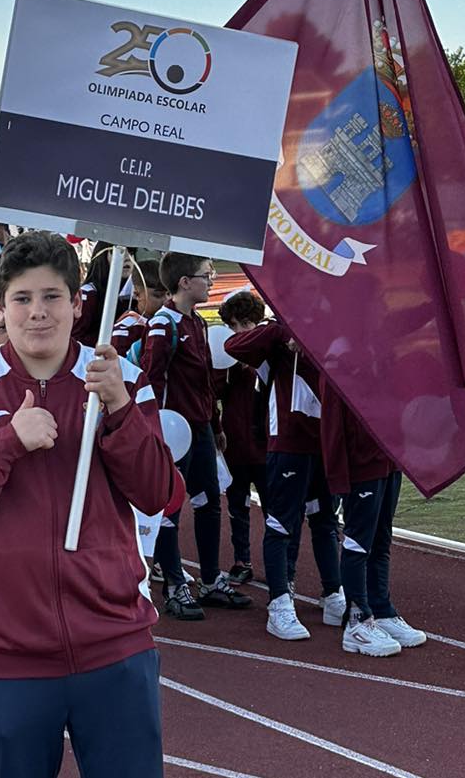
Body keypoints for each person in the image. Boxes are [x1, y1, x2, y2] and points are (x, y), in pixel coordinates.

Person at [0, 231, 175, 778]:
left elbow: (159, 495)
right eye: (22, 299)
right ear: (1, 308)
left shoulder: (120, 380)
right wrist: (6, 442)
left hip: (114, 642)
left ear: (78, 305)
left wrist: (121, 409)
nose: (38, 313)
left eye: (53, 297)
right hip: (6, 651)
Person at [142, 253, 251, 618]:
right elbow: (151, 382)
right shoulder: (162, 325)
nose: (211, 280)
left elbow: (206, 382)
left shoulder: (199, 324)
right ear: (184, 282)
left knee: (209, 501)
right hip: (175, 432)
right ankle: (174, 584)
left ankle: (209, 579)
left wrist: (215, 426)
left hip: (202, 428)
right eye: (206, 275)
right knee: (170, 505)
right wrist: (155, 431)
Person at [225, 318, 343, 641]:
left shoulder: (332, 325)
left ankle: (333, 594)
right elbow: (232, 346)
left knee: (325, 520)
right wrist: (285, 330)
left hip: (324, 441)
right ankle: (279, 603)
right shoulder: (276, 335)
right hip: (289, 443)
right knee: (281, 524)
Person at [319, 379, 427, 657]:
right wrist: (338, 477)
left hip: (389, 461)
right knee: (358, 543)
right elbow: (331, 422)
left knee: (381, 541)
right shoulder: (339, 358)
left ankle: (381, 609)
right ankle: (356, 621)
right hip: (361, 465)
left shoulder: (384, 357)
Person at [215, 291, 270, 585]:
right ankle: (242, 560)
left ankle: (281, 568)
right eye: (232, 326)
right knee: (237, 506)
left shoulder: (271, 351)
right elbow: (214, 393)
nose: (236, 333)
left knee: (275, 510)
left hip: (265, 444)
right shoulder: (227, 359)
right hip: (235, 443)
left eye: (240, 325)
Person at [74, 242, 137, 347]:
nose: (126, 257)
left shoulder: (135, 295)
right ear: (102, 257)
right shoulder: (88, 294)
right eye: (115, 251)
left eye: (130, 252)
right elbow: (74, 340)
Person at [111, 259, 167, 359]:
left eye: (169, 294)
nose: (166, 300)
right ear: (136, 294)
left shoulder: (171, 320)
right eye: (158, 295)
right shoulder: (125, 329)